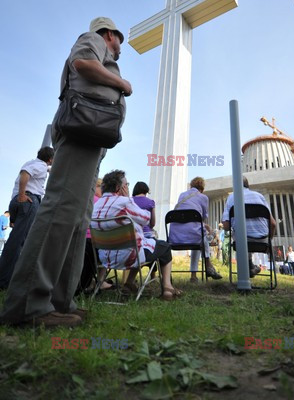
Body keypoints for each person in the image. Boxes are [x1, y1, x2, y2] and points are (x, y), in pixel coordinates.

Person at [0, 17, 132, 327]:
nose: (120, 50)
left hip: (92, 137)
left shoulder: (104, 48)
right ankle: (28, 305)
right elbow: (82, 62)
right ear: (110, 34)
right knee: (61, 210)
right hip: (82, 130)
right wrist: (122, 85)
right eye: (119, 43)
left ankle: (60, 301)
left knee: (77, 219)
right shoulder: (94, 39)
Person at [92, 170, 180, 301]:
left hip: (105, 258)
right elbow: (146, 219)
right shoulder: (124, 202)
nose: (127, 187)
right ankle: (167, 288)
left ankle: (129, 283)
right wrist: (128, 199)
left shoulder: (95, 205)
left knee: (140, 244)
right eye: (126, 184)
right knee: (164, 247)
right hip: (129, 257)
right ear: (118, 187)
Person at [0, 147, 54, 289]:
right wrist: (22, 194)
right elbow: (26, 174)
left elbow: (30, 170)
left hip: (17, 203)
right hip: (28, 201)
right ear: (49, 159)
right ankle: (5, 281)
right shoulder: (40, 167)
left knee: (15, 239)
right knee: (18, 242)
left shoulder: (32, 162)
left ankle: (5, 277)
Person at [169, 177, 222, 282]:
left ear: (191, 186)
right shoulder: (203, 197)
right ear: (202, 188)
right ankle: (207, 267)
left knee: (200, 236)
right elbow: (203, 217)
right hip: (193, 236)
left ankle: (197, 274)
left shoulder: (182, 195)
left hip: (175, 237)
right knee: (201, 238)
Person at [222, 177, 276, 277]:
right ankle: (251, 267)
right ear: (248, 185)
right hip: (263, 242)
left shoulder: (232, 197)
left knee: (241, 232)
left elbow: (226, 226)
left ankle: (248, 269)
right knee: (245, 232)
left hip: (241, 242)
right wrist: (269, 240)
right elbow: (273, 223)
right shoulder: (259, 196)